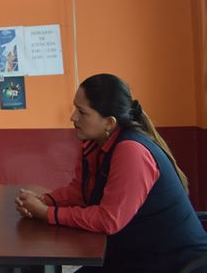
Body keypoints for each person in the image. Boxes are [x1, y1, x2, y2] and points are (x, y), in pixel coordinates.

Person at [15, 73, 207, 272]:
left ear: (109, 122)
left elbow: (108, 220)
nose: (73, 117)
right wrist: (45, 201)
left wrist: (46, 213)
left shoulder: (131, 151)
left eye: (82, 112)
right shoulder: (95, 143)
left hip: (172, 262)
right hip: (132, 253)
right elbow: (81, 192)